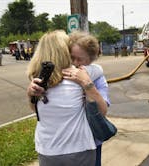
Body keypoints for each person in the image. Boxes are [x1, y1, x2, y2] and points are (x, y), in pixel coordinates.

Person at [27, 31, 110, 166]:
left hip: (47, 149)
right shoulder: (79, 76)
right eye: (72, 57)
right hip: (79, 148)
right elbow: (99, 69)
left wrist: (30, 93)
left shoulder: (39, 80)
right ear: (65, 52)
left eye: (80, 59)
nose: (76, 64)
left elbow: (36, 109)